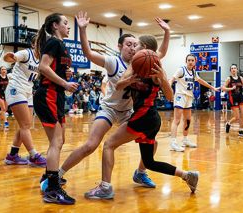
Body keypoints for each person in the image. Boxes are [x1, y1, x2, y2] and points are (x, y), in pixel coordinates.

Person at [40, 11, 170, 194]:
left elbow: (161, 52)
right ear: (120, 47)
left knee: (152, 142)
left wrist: (166, 32)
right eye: (128, 45)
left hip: (128, 111)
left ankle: (140, 172)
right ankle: (57, 174)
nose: (132, 48)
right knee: (90, 145)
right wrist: (83, 30)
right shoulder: (112, 61)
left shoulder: (141, 61)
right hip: (109, 108)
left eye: (135, 45)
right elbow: (88, 53)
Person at [84, 36, 199, 199]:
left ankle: (105, 188)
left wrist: (163, 80)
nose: (133, 48)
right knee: (149, 161)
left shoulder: (155, 68)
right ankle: (188, 175)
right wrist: (128, 80)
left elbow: (170, 97)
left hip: (144, 117)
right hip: (150, 119)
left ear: (143, 47)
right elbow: (117, 85)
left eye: (136, 45)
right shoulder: (134, 65)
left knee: (109, 145)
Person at [33, 13, 79, 205]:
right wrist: (65, 83)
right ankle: (52, 188)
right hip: (48, 94)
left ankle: (48, 178)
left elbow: (53, 67)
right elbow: (43, 67)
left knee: (60, 141)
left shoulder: (61, 45)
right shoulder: (53, 42)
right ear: (55, 26)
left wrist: (64, 73)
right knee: (56, 141)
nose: (69, 27)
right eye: (66, 23)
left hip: (56, 95)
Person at [3, 36, 47, 167]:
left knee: (25, 125)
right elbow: (10, 58)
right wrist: (9, 56)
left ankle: (12, 156)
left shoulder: (43, 60)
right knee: (25, 125)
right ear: (33, 45)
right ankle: (33, 156)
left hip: (28, 91)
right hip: (16, 89)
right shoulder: (26, 53)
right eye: (39, 43)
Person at [168, 54, 219, 152]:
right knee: (177, 120)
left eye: (192, 60)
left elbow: (201, 81)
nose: (190, 62)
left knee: (187, 120)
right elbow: (172, 79)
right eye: (189, 60)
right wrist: (169, 88)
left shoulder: (194, 72)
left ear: (195, 62)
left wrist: (212, 87)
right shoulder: (181, 70)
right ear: (186, 61)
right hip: (180, 96)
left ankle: (185, 139)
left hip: (189, 97)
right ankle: (173, 142)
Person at [222, 64, 243, 137]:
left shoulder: (241, 78)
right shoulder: (229, 79)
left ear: (237, 69)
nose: (233, 69)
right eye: (232, 68)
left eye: (235, 68)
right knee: (237, 117)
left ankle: (241, 130)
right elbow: (223, 88)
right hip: (233, 98)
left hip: (240, 96)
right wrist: (231, 88)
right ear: (230, 70)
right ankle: (228, 123)